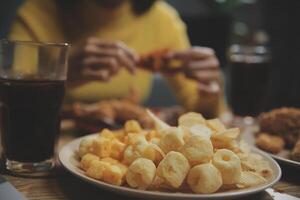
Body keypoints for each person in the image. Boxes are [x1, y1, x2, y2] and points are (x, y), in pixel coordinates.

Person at [8, 0, 224, 117]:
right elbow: (9, 106)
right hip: (43, 147)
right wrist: (59, 73)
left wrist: (209, 92)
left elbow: (201, 111)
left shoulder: (162, 20)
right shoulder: (36, 13)